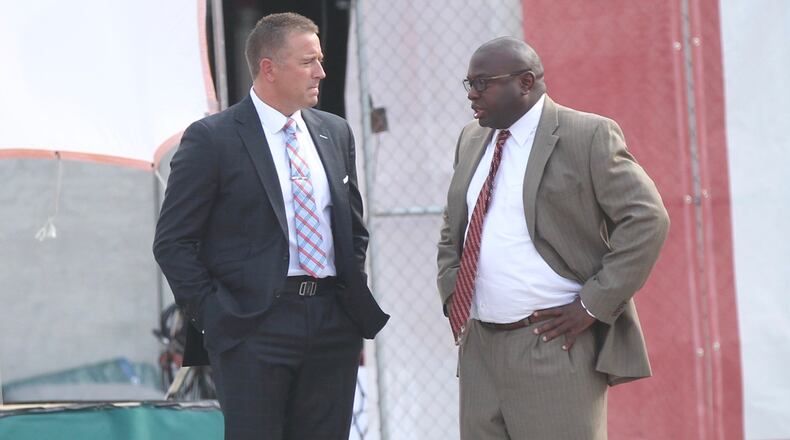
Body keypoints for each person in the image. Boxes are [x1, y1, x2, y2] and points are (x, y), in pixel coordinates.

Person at [153, 12, 389, 440]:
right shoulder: (212, 138)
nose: (321, 72)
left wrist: (345, 300)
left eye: (320, 60)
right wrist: (214, 315)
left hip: (331, 323)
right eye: (308, 62)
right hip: (252, 325)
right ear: (269, 68)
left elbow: (351, 229)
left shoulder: (335, 132)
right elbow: (173, 242)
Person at [436, 37, 670, 440]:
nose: (472, 95)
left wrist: (593, 304)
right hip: (480, 350)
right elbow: (452, 228)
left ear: (525, 82)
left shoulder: (587, 135)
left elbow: (646, 219)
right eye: (468, 84)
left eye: (483, 83)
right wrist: (452, 293)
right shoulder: (472, 138)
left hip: (553, 344)